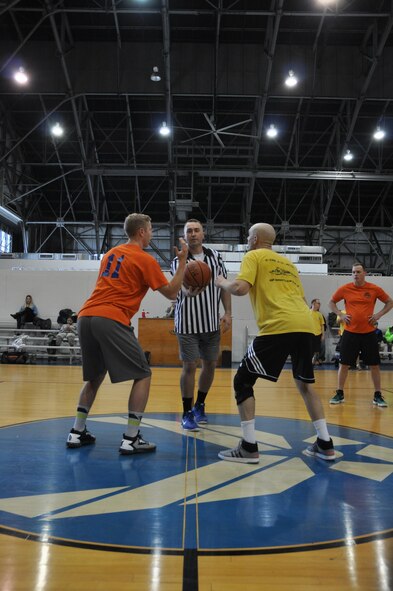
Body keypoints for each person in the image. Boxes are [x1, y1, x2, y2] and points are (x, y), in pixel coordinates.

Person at [66, 213, 188, 454]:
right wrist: (183, 261)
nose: (152, 233)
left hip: (85, 315)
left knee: (95, 377)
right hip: (110, 317)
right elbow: (173, 293)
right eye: (151, 229)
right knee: (143, 374)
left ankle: (76, 432)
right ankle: (131, 437)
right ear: (141, 232)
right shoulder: (145, 259)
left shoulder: (111, 253)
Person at [215, 222, 335, 463]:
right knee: (304, 384)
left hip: (280, 325)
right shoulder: (288, 264)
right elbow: (300, 298)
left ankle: (249, 447)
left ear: (256, 239)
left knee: (242, 381)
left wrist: (221, 282)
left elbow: (240, 288)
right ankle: (325, 442)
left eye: (249, 236)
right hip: (306, 324)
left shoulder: (254, 256)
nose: (248, 240)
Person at [171, 219, 232, 431]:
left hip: (211, 322)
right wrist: (187, 293)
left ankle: (200, 404)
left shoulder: (216, 257)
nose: (193, 234)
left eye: (197, 230)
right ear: (185, 235)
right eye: (189, 231)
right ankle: (187, 412)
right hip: (187, 323)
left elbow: (224, 286)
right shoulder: (179, 260)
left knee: (210, 364)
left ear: (203, 234)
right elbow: (177, 289)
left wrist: (228, 313)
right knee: (189, 366)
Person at [328, 263, 393, 407]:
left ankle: (377, 395)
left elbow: (390, 302)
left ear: (365, 273)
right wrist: (339, 314)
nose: (355, 274)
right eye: (353, 272)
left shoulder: (374, 289)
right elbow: (331, 302)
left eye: (358, 272)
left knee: (374, 365)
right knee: (344, 364)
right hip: (350, 333)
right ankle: (340, 393)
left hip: (368, 333)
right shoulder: (345, 289)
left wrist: (379, 314)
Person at [310, 298, 325, 365]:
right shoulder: (307, 312)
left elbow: (322, 325)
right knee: (310, 349)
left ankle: (314, 360)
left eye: (320, 304)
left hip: (318, 334)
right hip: (310, 334)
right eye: (318, 303)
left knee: (317, 350)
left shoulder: (319, 314)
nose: (319, 305)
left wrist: (323, 335)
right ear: (313, 304)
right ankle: (310, 361)